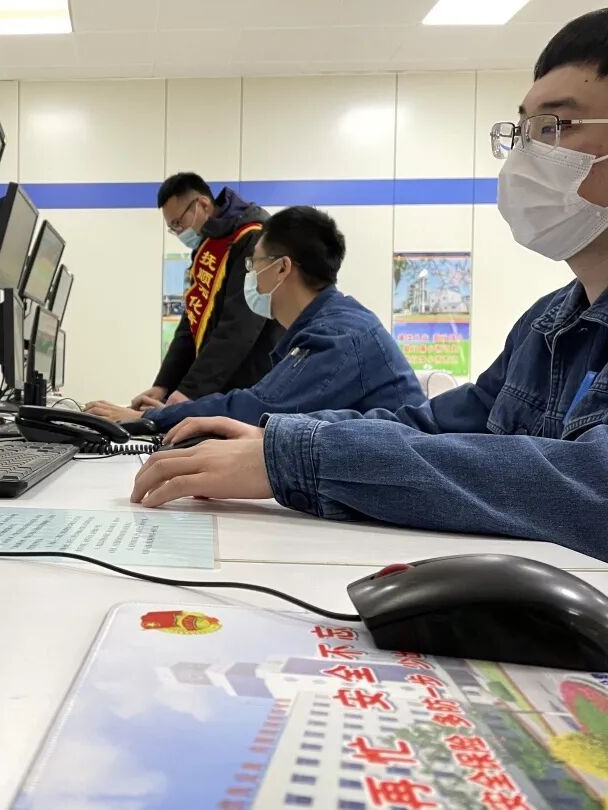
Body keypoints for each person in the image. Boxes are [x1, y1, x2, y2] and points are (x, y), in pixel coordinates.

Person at [131, 9, 608, 562]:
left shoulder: (340, 333)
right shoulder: (545, 325)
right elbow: (438, 424)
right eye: (522, 131)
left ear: (283, 268)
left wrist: (290, 455)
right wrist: (275, 443)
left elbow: (591, 488)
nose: (527, 155)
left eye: (556, 127)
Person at [87, 206, 426, 429]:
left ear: (282, 268)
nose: (250, 277)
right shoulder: (324, 326)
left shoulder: (337, 335)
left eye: (254, 264)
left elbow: (258, 408)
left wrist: (152, 418)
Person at [92, 174, 283, 413]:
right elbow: (190, 324)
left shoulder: (251, 237)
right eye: (172, 228)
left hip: (248, 388)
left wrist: (189, 393)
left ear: (202, 204)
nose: (179, 232)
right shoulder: (208, 247)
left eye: (178, 223)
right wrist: (163, 385)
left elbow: (238, 327)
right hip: (216, 388)